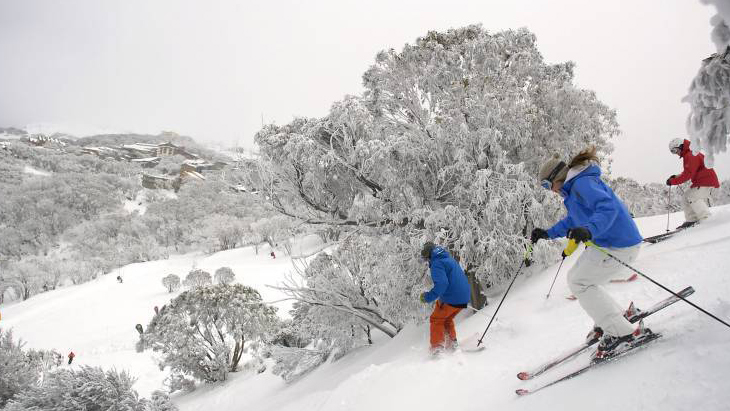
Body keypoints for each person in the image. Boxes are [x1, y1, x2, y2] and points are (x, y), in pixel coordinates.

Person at [531, 147, 655, 360]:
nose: (549, 190)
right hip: (609, 243)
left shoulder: (582, 184)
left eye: (546, 184)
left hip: (618, 244)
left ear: (556, 177)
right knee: (577, 279)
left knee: (580, 282)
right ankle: (616, 318)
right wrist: (547, 233)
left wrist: (590, 230)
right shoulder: (575, 189)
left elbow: (607, 208)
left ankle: (621, 332)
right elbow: (573, 220)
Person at [419, 242, 471, 355]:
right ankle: (452, 343)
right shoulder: (447, 258)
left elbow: (442, 284)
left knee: (436, 319)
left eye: (426, 258)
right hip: (463, 295)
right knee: (446, 319)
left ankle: (437, 348)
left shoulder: (437, 263)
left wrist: (427, 297)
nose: (426, 262)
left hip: (452, 297)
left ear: (428, 255)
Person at [666, 138, 720, 229]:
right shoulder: (689, 154)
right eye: (672, 152)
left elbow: (688, 174)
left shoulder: (691, 155)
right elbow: (688, 171)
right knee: (685, 197)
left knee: (693, 197)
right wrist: (676, 177)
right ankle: (692, 220)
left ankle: (706, 219)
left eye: (675, 150)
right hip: (701, 181)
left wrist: (673, 181)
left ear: (681, 146)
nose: (675, 153)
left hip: (706, 181)